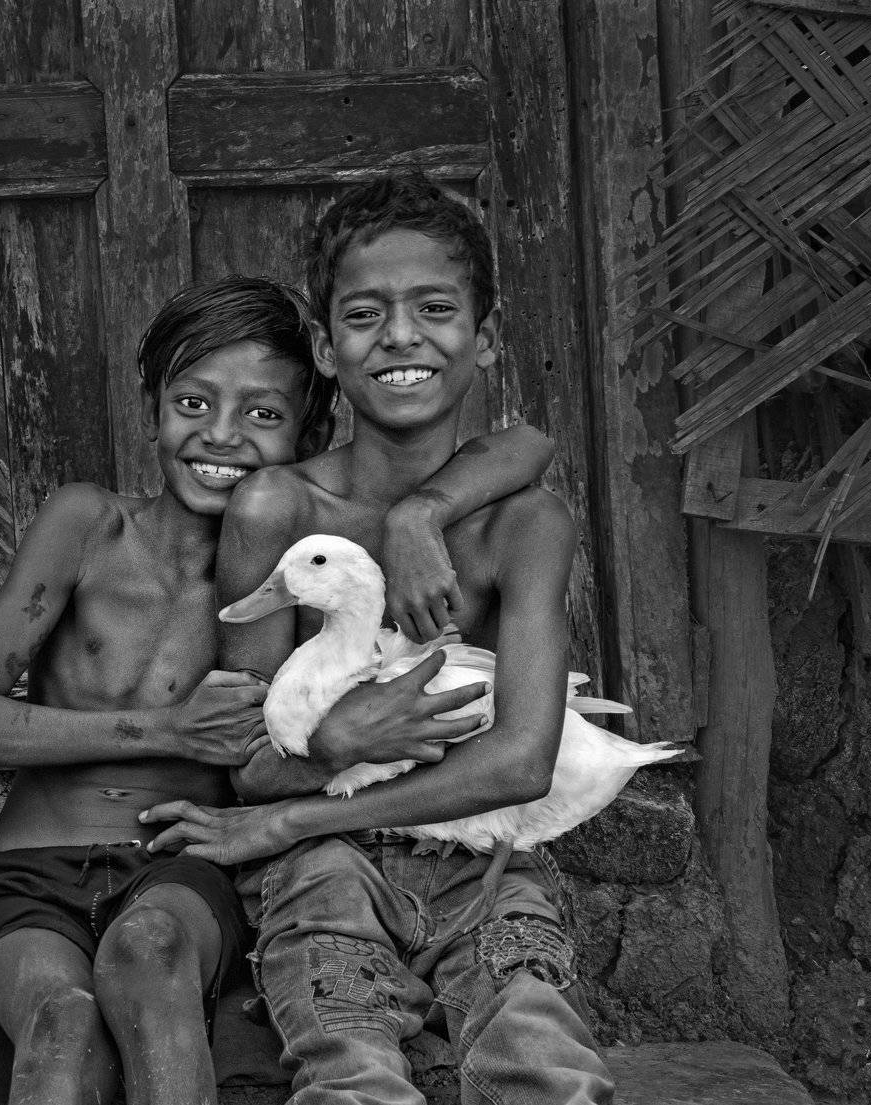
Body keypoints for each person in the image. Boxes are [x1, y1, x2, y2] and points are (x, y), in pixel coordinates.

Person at [0, 275, 558, 1105]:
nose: (220, 435)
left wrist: (421, 515)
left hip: (181, 873)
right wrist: (170, 729)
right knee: (63, 1020)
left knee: (148, 950)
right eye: (192, 403)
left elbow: (527, 445)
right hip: (28, 871)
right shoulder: (89, 525)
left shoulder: (303, 564)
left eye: (262, 414)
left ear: (310, 433)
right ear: (152, 407)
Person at [143, 175, 615, 1104]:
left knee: (542, 1053)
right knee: (350, 1069)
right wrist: (337, 743)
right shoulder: (278, 509)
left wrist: (417, 513)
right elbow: (249, 765)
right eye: (365, 314)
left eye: (434, 309)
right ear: (327, 347)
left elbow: (521, 761)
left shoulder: (526, 526)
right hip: (320, 870)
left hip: (480, 859)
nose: (401, 335)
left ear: (484, 336)